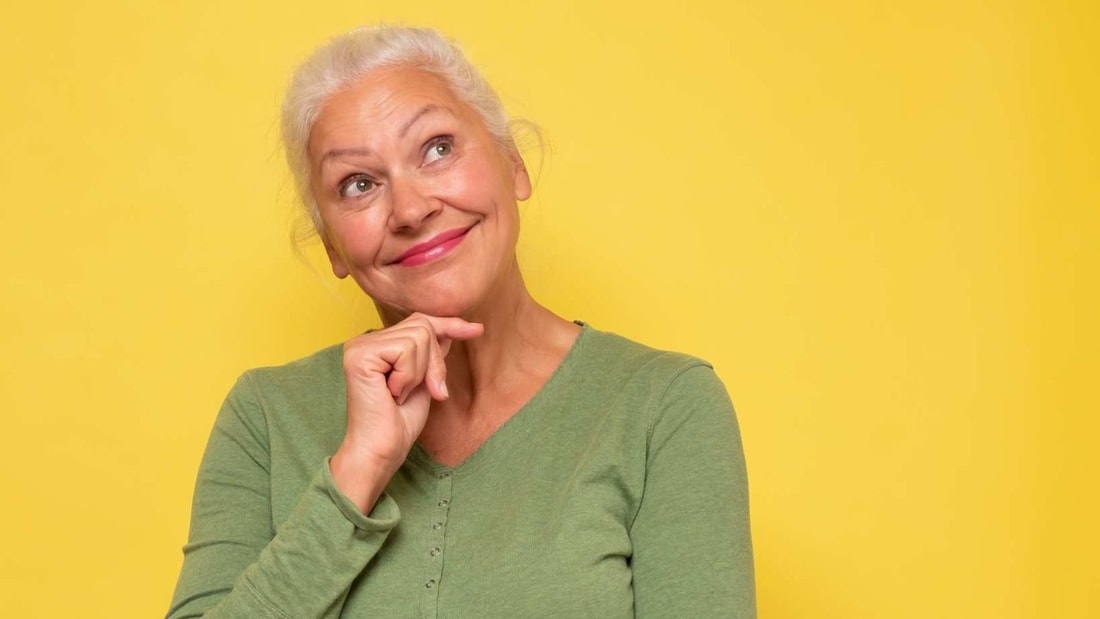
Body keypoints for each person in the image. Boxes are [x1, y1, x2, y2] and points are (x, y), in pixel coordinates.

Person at [167, 25, 755, 618]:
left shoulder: (664, 408)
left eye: (437, 148)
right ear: (333, 250)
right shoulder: (266, 417)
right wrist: (357, 471)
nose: (412, 209)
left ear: (514, 165)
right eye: (359, 184)